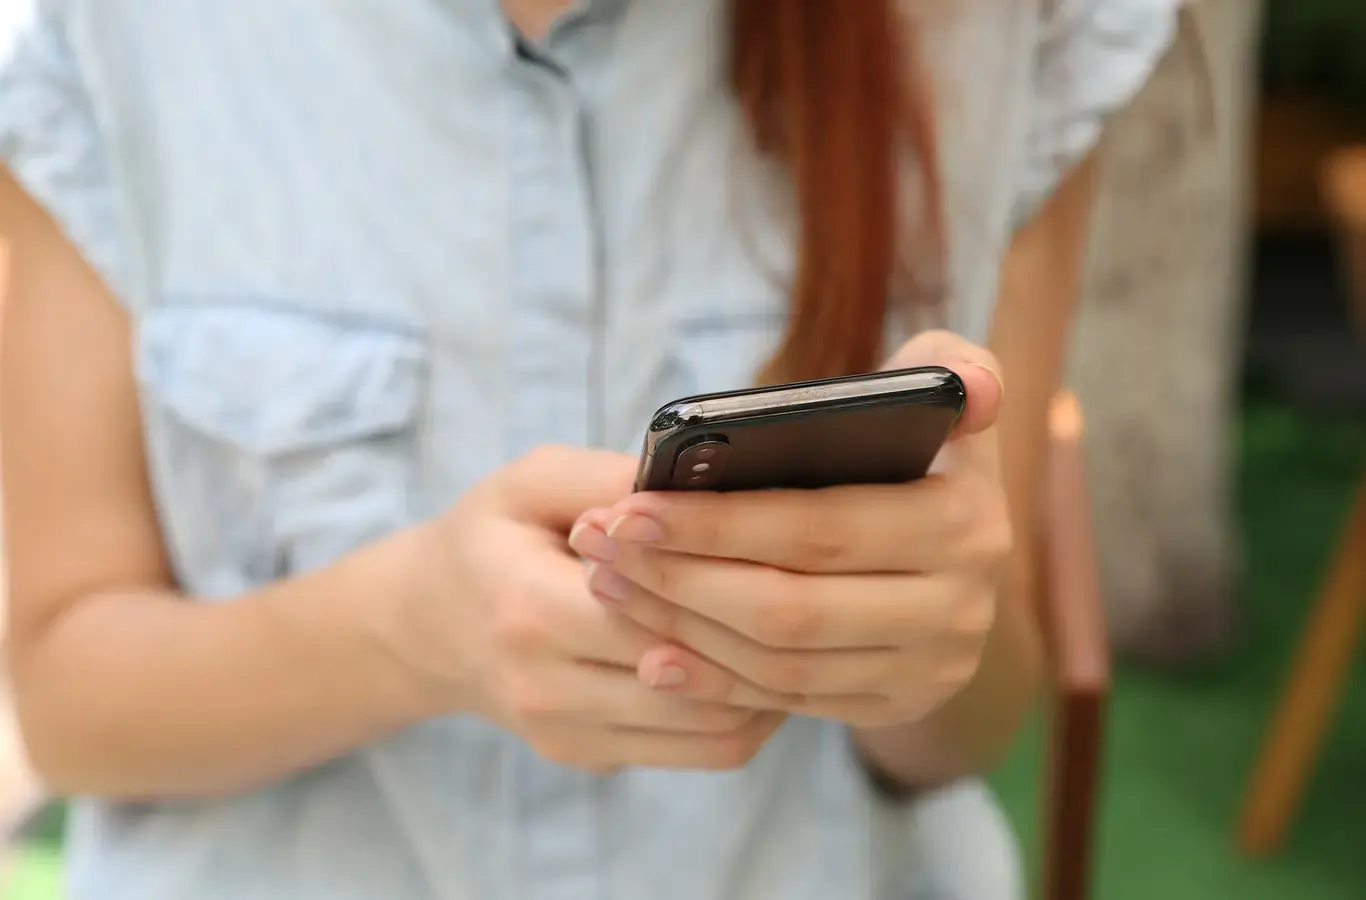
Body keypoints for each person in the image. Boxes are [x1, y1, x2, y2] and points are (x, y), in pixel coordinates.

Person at [0, 2, 1178, 897]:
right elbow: (68, 708)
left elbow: (968, 729)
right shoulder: (109, 38)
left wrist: (926, 637)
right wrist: (407, 632)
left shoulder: (1006, 27)